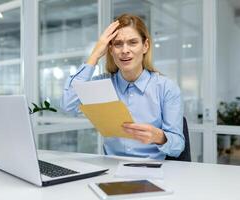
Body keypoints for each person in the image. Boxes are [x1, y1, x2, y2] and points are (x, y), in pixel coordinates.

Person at [60, 13, 185, 160]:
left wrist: (159, 137)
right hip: (110, 168)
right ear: (111, 49)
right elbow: (67, 105)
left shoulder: (166, 88)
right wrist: (94, 55)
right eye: (118, 44)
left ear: (145, 46)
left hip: (152, 169)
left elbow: (178, 146)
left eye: (132, 42)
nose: (125, 50)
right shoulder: (101, 85)